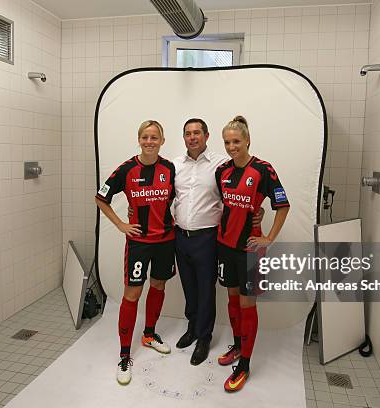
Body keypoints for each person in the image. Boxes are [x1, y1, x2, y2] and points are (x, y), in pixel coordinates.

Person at [95, 120, 176, 386]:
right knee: (132, 294)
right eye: (145, 137)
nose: (150, 142)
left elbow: (178, 198)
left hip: (166, 239)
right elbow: (101, 197)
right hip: (139, 242)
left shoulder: (169, 168)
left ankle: (149, 334)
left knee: (159, 285)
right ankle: (125, 354)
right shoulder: (128, 169)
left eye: (155, 137)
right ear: (138, 139)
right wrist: (121, 224)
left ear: (162, 141)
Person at [215, 115, 290, 392]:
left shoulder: (263, 170)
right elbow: (224, 206)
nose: (232, 146)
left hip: (249, 250)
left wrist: (268, 238)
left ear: (247, 140)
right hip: (225, 246)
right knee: (232, 300)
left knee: (248, 306)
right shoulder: (222, 171)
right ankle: (237, 345)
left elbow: (282, 205)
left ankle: (244, 365)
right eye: (227, 142)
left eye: (236, 141)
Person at [172, 118, 227, 365]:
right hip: (181, 237)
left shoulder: (221, 164)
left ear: (206, 135)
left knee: (206, 289)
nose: (192, 137)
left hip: (207, 237)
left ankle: (204, 337)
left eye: (197, 133)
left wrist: (256, 213)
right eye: (188, 133)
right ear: (183, 137)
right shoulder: (175, 165)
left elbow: (234, 197)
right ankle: (192, 327)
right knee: (188, 287)